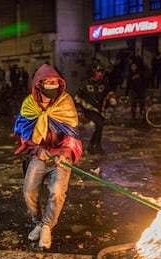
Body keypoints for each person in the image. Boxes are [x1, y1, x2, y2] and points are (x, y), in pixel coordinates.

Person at [13, 64, 82, 249]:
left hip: (61, 155)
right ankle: (38, 222)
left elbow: (72, 133)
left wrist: (64, 153)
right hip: (40, 154)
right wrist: (38, 150)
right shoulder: (29, 104)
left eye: (55, 82)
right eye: (48, 82)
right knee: (28, 191)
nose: (52, 85)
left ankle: (47, 227)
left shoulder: (65, 102)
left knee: (57, 191)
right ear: (39, 84)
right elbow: (24, 133)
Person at [75, 61, 114, 154]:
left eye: (101, 72)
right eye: (98, 72)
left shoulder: (104, 83)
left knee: (99, 126)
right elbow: (78, 97)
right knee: (99, 123)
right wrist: (79, 110)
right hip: (88, 109)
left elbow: (109, 92)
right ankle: (97, 146)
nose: (100, 74)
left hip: (100, 110)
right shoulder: (85, 84)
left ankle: (92, 146)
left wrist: (112, 99)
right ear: (92, 72)